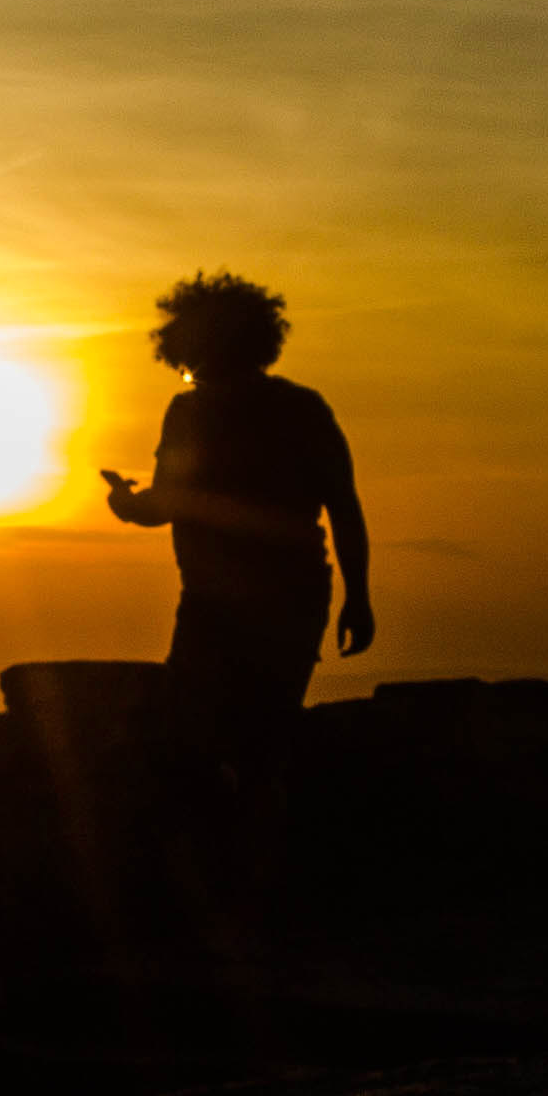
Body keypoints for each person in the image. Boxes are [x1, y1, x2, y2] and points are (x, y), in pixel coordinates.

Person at [97, 269, 374, 808]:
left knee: (202, 744)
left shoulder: (193, 413)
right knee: (257, 744)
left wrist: (126, 505)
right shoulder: (302, 409)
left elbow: (166, 503)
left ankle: (236, 862)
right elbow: (343, 507)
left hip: (226, 603)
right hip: (275, 598)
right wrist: (358, 597)